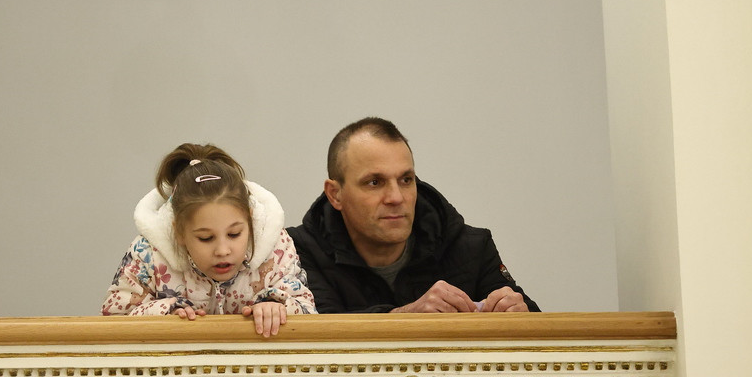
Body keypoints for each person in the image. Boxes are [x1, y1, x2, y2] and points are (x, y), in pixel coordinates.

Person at [287, 118, 539, 313]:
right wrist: (405, 317)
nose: (396, 197)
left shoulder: (472, 247)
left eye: (406, 180)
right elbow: (317, 335)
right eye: (375, 182)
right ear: (335, 194)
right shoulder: (293, 253)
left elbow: (542, 336)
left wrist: (519, 314)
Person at [102, 143, 315, 337]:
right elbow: (112, 322)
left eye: (234, 234)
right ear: (178, 231)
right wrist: (165, 312)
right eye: (205, 238)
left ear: (251, 221)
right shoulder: (148, 253)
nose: (222, 250)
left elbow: (310, 313)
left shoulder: (276, 247)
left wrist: (278, 306)